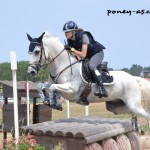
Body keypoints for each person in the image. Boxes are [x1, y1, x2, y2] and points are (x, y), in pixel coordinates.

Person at [63, 21, 108, 98]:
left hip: (97, 53)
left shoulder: (84, 36)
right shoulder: (69, 40)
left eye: (67, 31)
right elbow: (76, 54)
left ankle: (102, 88)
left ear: (73, 31)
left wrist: (71, 49)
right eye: (65, 32)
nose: (65, 33)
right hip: (88, 56)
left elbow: (83, 54)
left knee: (91, 65)